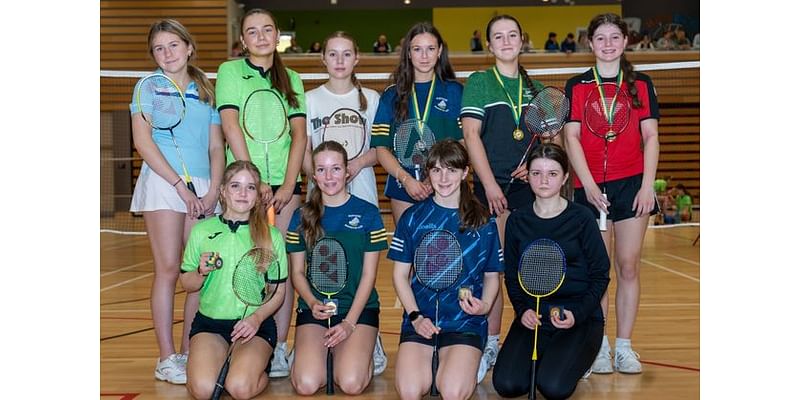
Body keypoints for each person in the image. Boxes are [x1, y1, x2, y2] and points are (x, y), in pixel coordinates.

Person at [562, 13, 660, 375]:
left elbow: (650, 137)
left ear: (624, 42)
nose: (607, 44)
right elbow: (570, 137)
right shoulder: (577, 85)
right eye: (600, 38)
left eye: (614, 37)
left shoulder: (642, 84)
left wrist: (647, 185)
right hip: (589, 187)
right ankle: (598, 345)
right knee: (597, 271)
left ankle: (624, 347)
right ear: (591, 43)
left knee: (629, 266)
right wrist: (585, 183)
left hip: (632, 184)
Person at [461, 15, 557, 381]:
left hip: (528, 191)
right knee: (493, 270)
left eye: (512, 35)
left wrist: (533, 163)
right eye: (497, 36)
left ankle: (543, 340)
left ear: (522, 40)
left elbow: (552, 143)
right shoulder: (481, 82)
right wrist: (489, 185)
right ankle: (491, 340)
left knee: (532, 268)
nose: (505, 41)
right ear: (489, 45)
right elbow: (471, 136)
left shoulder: (538, 89)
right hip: (489, 190)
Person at [129, 19, 225, 385]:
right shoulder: (147, 87)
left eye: (173, 45)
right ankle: (167, 356)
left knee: (198, 271)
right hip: (164, 183)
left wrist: (213, 190)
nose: (167, 53)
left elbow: (217, 145)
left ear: (188, 47)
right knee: (169, 269)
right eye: (159, 48)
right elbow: (144, 141)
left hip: (203, 185)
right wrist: (181, 188)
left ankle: (189, 351)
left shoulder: (206, 89)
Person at [215, 8, 308, 378]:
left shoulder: (293, 78)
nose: (261, 36)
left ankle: (280, 346)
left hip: (285, 188)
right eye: (252, 31)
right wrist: (254, 180)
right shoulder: (229, 72)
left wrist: (287, 185)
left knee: (280, 266)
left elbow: (299, 135)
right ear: (243, 39)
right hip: (243, 184)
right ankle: (229, 338)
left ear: (276, 35)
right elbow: (230, 124)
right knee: (242, 262)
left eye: (268, 29)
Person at [493, 143, 610, 399]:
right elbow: (512, 276)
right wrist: (523, 310)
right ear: (528, 176)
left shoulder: (581, 218)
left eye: (552, 173)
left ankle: (578, 356)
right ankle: (553, 355)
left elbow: (601, 273)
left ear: (565, 177)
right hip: (534, 317)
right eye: (536, 173)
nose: (543, 180)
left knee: (553, 388)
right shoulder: (517, 221)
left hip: (578, 317)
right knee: (507, 385)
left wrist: (577, 315)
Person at [390, 139, 503, 400]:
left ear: (465, 173)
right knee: (409, 391)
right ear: (428, 172)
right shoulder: (413, 218)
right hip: (421, 320)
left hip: (464, 322)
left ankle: (463, 363)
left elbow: (491, 276)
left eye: (451, 170)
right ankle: (439, 363)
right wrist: (416, 317)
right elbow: (399, 275)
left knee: (451, 391)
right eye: (437, 170)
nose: (443, 177)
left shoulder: (484, 221)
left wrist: (484, 306)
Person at [303, 31, 388, 375]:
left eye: (346, 54)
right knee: (322, 266)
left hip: (361, 191)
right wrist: (322, 178)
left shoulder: (371, 98)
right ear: (322, 59)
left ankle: (369, 338)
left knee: (360, 269)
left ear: (357, 59)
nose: (339, 60)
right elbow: (305, 150)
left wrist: (354, 166)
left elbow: (379, 149)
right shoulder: (309, 99)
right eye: (332, 54)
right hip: (321, 195)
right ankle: (313, 336)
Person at [286, 141, 388, 395]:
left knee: (351, 383)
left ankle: (369, 344)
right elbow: (297, 273)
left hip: (358, 308)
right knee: (307, 384)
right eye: (321, 170)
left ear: (347, 171)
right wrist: (311, 302)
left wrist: (349, 323)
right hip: (315, 308)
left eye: (335, 169)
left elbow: (368, 275)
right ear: (314, 174)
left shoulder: (368, 213)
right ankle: (306, 350)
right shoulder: (300, 216)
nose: (328, 176)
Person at [181, 160, 288, 399]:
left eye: (250, 187)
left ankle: (257, 368)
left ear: (257, 195)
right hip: (210, 326)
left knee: (239, 388)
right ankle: (225, 361)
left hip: (254, 325)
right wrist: (199, 272)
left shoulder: (272, 237)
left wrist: (256, 318)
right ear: (222, 191)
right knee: (204, 390)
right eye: (235, 186)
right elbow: (186, 284)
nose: (242, 193)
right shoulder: (201, 231)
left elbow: (278, 292)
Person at [370, 21, 464, 226]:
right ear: (408, 53)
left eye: (430, 49)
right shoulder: (391, 95)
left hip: (447, 184)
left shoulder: (455, 91)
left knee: (450, 253)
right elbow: (381, 149)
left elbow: (464, 142)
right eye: (417, 49)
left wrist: (437, 177)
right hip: (403, 188)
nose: (424, 56)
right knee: (410, 255)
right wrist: (406, 180)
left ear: (439, 51)